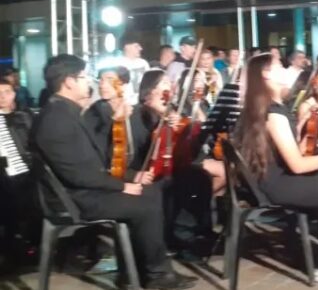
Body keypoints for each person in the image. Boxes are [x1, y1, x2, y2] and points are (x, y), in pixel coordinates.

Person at [33, 55, 196, 289]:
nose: (88, 82)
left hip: (82, 191)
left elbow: (96, 161)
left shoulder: (64, 112)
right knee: (145, 204)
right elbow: (79, 174)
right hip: (74, 200)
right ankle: (157, 275)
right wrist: (123, 186)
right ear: (68, 81)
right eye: (83, 77)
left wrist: (131, 176)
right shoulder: (57, 119)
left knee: (151, 191)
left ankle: (139, 272)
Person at [236, 53, 318, 284]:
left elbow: (290, 151)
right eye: (279, 65)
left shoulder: (266, 107)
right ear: (266, 74)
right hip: (278, 185)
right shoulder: (273, 113)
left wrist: (316, 146)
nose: (285, 68)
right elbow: (296, 165)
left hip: (271, 180)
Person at [0, 78, 37, 267]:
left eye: (6, 92)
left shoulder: (25, 116)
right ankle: (11, 247)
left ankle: (29, 244)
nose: (2, 97)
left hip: (28, 172)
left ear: (14, 93)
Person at [120, 36, 151, 105]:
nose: (140, 48)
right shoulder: (118, 64)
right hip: (126, 104)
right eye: (136, 46)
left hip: (143, 103)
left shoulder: (143, 63)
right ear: (127, 47)